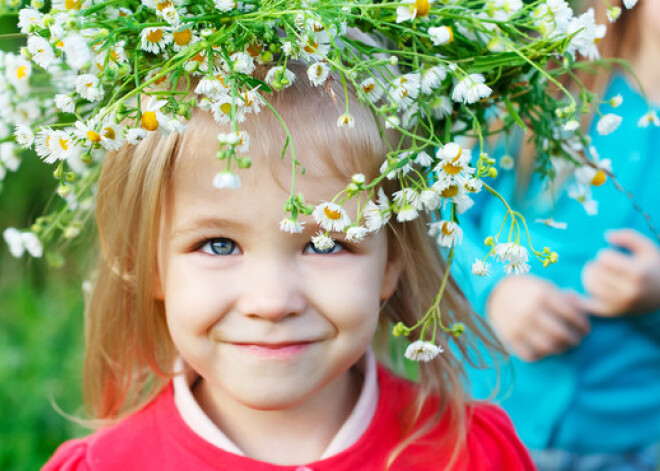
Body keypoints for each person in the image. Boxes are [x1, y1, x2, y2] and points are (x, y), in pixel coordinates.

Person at [41, 63, 534, 470]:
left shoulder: (470, 454)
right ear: (146, 262)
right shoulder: (105, 465)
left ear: (392, 261)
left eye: (324, 245)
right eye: (218, 245)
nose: (272, 302)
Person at [453, 1, 660, 470]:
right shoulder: (548, 81)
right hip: (487, 420)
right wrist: (494, 292)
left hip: (626, 444)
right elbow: (443, 216)